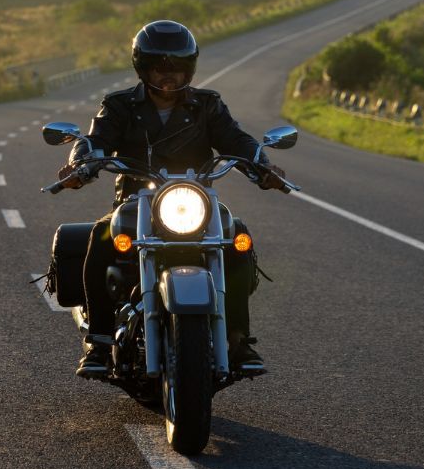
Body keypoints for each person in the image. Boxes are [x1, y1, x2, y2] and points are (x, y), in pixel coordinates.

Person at [57, 19, 290, 378]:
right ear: (142, 68)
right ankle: (100, 341)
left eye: (178, 70)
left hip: (195, 201)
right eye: (160, 69)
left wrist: (263, 166)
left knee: (238, 239)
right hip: (137, 199)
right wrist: (81, 165)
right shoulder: (118, 105)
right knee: (100, 239)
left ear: (190, 68)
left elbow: (236, 141)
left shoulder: (207, 105)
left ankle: (238, 340)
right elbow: (96, 139)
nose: (169, 77)